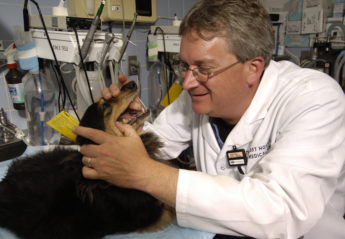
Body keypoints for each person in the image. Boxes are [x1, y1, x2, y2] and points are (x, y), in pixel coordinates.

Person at [73, 0, 345, 238]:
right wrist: (128, 123)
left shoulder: (314, 98)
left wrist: (147, 175)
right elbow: (159, 143)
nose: (188, 82)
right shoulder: (197, 95)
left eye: (203, 68)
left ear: (253, 68)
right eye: (184, 65)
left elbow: (283, 211)